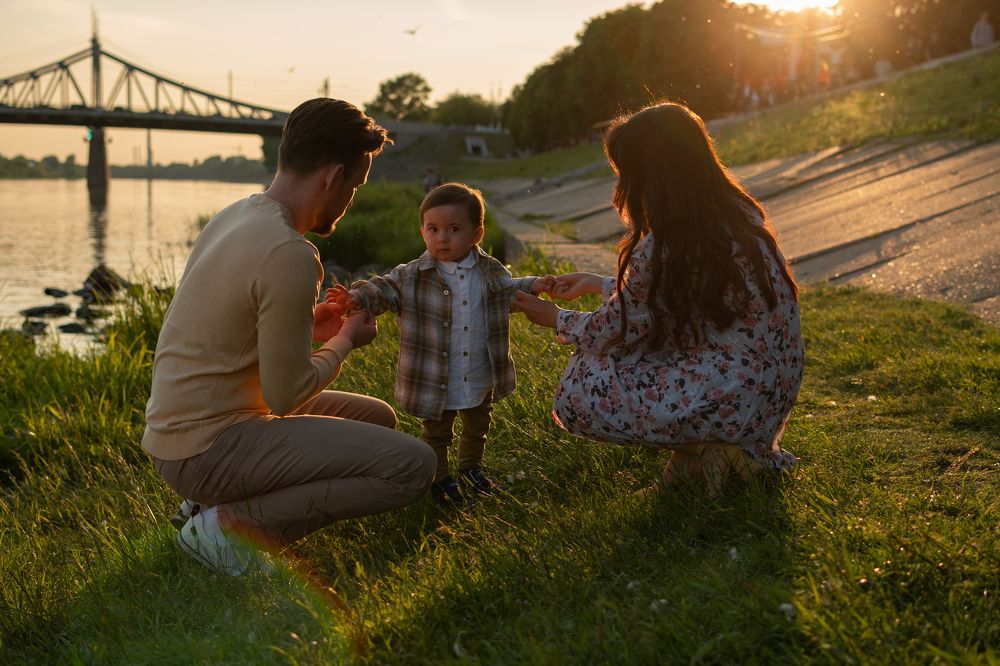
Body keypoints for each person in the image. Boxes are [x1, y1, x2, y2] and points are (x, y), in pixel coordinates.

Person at [142, 98, 436, 576]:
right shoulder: (289, 252)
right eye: (355, 186)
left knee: (379, 419)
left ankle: (200, 507)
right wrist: (342, 342)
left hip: (177, 432)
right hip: (206, 450)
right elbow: (286, 394)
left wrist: (308, 324)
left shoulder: (237, 214)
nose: (349, 200)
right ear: (330, 177)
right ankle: (227, 528)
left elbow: (229, 329)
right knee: (412, 467)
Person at [512, 102, 803, 493]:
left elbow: (615, 329)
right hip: (769, 393)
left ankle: (710, 448)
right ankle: (698, 463)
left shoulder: (666, 243)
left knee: (584, 379)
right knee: (655, 350)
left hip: (734, 399)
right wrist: (598, 283)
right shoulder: (738, 214)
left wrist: (556, 318)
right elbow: (672, 300)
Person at [328, 183, 553, 507]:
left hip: (477, 368)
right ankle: (439, 476)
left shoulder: (489, 269)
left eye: (454, 229)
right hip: (436, 375)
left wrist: (534, 284)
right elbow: (383, 289)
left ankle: (471, 467)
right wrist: (355, 297)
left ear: (477, 234)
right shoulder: (411, 276)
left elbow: (507, 290)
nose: (442, 238)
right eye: (433, 229)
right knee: (437, 431)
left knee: (478, 423)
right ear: (422, 233)